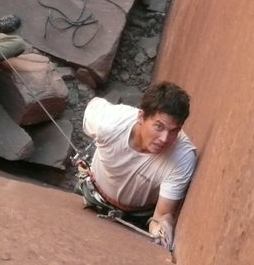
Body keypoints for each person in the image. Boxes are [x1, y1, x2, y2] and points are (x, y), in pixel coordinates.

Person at [75, 81, 197, 250]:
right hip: (93, 194)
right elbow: (92, 107)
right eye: (159, 127)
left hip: (138, 215)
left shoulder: (182, 157)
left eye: (174, 131)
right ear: (141, 117)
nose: (164, 138)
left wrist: (161, 231)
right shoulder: (109, 123)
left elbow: (161, 215)